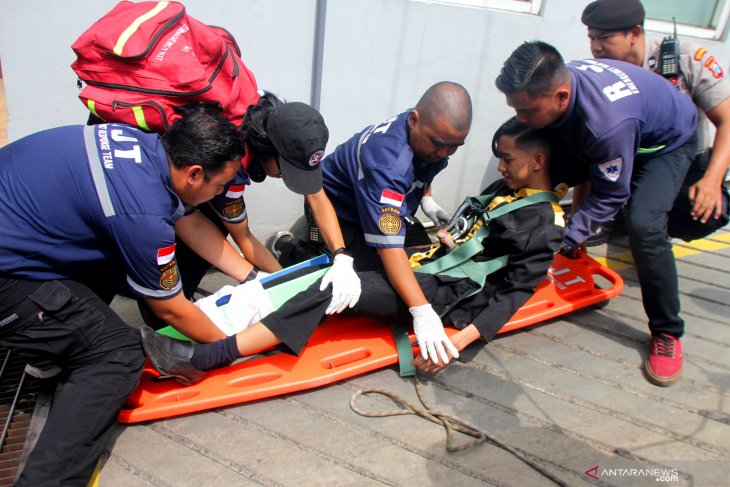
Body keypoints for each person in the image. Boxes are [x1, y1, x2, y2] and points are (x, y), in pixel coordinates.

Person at [138, 117, 566, 383]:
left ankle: (209, 356)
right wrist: (449, 234)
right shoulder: (505, 190)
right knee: (333, 277)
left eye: (507, 159)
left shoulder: (545, 226)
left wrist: (453, 340)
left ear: (539, 161)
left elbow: (511, 294)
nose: (501, 167)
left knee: (330, 287)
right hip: (430, 268)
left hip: (448, 295)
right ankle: (271, 282)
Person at [0, 105, 249, 485]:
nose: (221, 193)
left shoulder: (144, 148)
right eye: (220, 186)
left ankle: (51, 347)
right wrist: (232, 347)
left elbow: (190, 223)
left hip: (20, 228)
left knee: (115, 262)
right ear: (195, 173)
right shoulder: (142, 212)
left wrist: (253, 277)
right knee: (114, 356)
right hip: (8, 275)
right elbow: (172, 310)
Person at [495, 40, 698, 386]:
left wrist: (568, 236)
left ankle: (667, 332)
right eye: (515, 108)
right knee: (528, 167)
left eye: (527, 111)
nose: (520, 118)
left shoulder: (605, 124)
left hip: (666, 143)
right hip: (616, 132)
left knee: (644, 226)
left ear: (561, 96)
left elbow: (611, 193)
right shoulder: (560, 88)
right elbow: (584, 159)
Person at [268, 82, 472, 364]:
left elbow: (427, 169)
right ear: (414, 119)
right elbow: (389, 249)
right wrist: (422, 311)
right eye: (439, 145)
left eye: (455, 147)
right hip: (335, 211)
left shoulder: (430, 133)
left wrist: (426, 200)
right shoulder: (387, 163)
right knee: (349, 284)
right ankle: (288, 247)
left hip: (374, 205)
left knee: (420, 259)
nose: (445, 153)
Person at [138, 94, 361, 325]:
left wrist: (341, 256)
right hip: (152, 192)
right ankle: (169, 317)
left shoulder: (283, 122)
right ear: (266, 149)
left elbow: (316, 196)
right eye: (286, 169)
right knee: (196, 243)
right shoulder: (233, 163)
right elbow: (242, 236)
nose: (285, 177)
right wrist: (275, 282)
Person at [580, 0, 730, 245]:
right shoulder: (600, 74)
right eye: (592, 38)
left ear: (635, 33)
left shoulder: (685, 60)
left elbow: (728, 121)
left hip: (684, 163)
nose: (596, 47)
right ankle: (624, 216)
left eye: (605, 38)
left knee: (704, 215)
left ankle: (647, 221)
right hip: (628, 163)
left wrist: (712, 181)